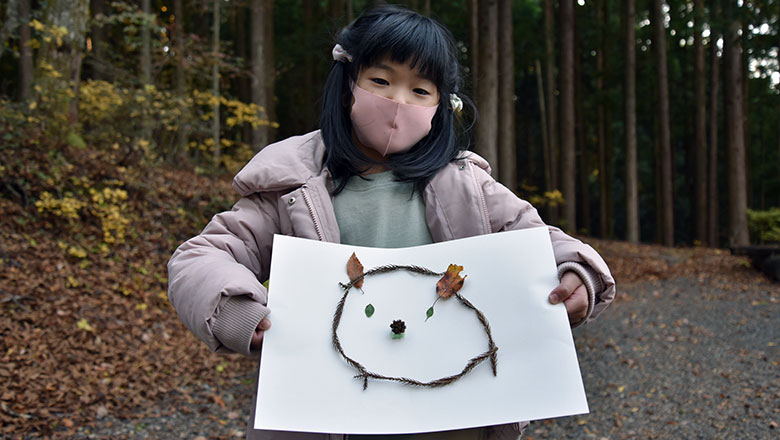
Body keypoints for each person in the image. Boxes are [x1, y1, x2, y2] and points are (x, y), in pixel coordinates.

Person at [167, 5, 616, 440]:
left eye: (421, 91)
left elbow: (542, 243)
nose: (398, 103)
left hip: (453, 421)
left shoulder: (469, 187)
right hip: (321, 419)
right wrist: (236, 310)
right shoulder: (291, 188)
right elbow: (201, 256)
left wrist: (578, 274)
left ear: (442, 106)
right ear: (348, 85)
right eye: (380, 81)